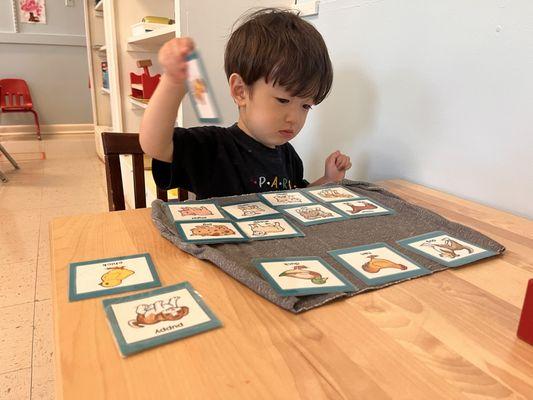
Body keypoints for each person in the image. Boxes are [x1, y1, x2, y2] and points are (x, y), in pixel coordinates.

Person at [139, 8, 352, 200]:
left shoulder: (288, 156)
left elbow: (296, 199)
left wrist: (327, 180)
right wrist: (173, 83)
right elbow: (155, 145)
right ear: (240, 91)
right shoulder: (213, 147)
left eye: (305, 106)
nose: (294, 118)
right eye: (283, 100)